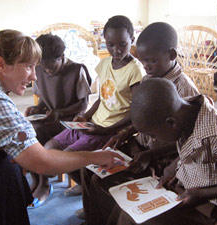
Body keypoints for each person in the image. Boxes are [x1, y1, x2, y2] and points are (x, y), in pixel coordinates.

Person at [0, 29, 123, 225]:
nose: (35, 77)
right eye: (28, 67)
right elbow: (41, 162)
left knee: (14, 159)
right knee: (15, 164)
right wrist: (97, 156)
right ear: (0, 64)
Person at [79, 22, 200, 223]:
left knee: (108, 183)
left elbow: (189, 142)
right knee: (91, 167)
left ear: (171, 55)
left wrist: (150, 155)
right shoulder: (149, 78)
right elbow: (144, 116)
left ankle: (109, 214)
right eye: (142, 62)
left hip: (163, 159)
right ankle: (96, 216)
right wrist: (124, 134)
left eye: (151, 61)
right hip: (141, 148)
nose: (145, 67)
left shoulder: (185, 92)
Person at [109, 78, 217, 225]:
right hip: (187, 188)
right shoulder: (183, 112)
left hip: (213, 204)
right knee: (123, 207)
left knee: (134, 219)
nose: (153, 139)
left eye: (153, 135)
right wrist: (172, 168)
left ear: (171, 123)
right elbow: (194, 152)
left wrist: (201, 194)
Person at [44, 15, 144, 196]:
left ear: (132, 40)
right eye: (111, 44)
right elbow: (101, 99)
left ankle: (90, 191)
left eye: (122, 44)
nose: (116, 50)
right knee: (49, 148)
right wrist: (86, 116)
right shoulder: (105, 64)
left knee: (66, 157)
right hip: (92, 125)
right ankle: (85, 184)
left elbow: (136, 111)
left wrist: (106, 130)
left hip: (109, 130)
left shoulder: (135, 70)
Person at [25, 33, 92, 208]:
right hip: (52, 117)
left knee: (38, 131)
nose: (47, 72)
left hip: (70, 120)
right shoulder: (39, 68)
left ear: (62, 58)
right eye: (44, 68)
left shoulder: (77, 70)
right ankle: (38, 179)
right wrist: (38, 108)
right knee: (27, 129)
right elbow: (43, 98)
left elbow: (83, 104)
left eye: (51, 68)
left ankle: (44, 184)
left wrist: (60, 112)